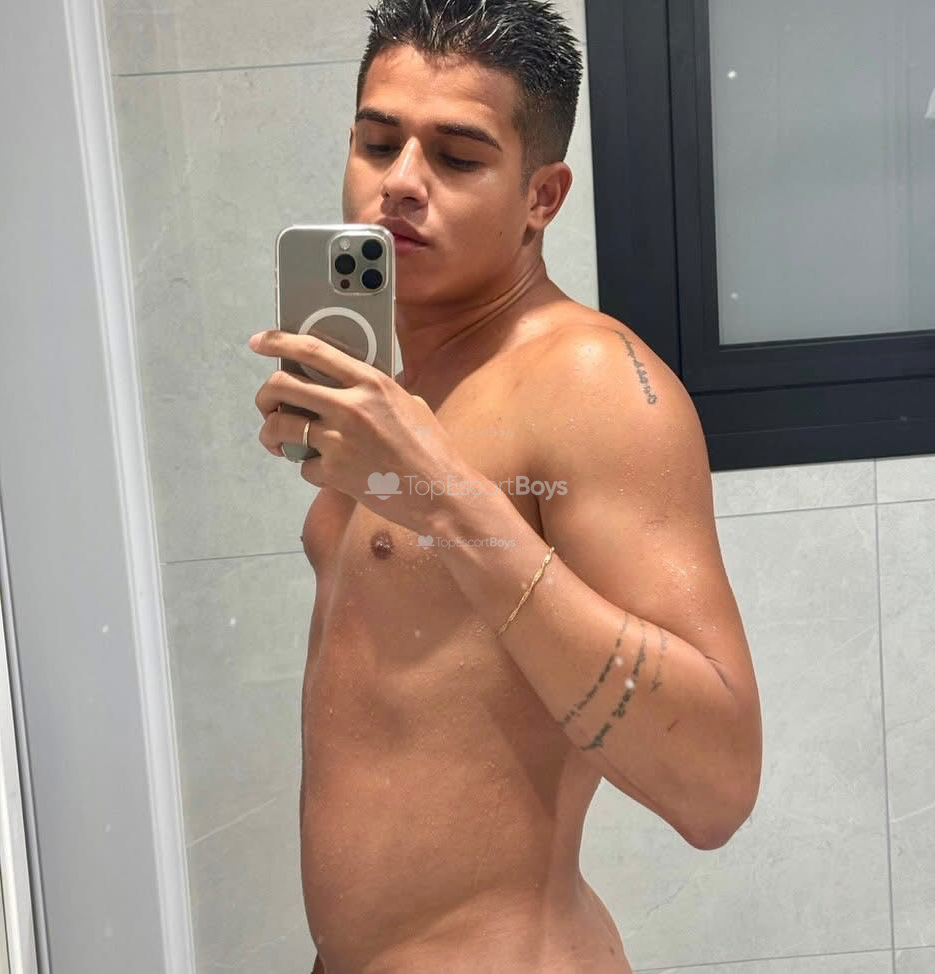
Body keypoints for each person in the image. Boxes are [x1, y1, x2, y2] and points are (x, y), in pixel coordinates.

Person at [249, 1, 763, 971]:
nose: (401, 181)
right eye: (377, 142)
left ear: (543, 196)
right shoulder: (395, 388)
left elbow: (720, 782)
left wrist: (446, 499)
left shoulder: (590, 382)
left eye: (457, 156)